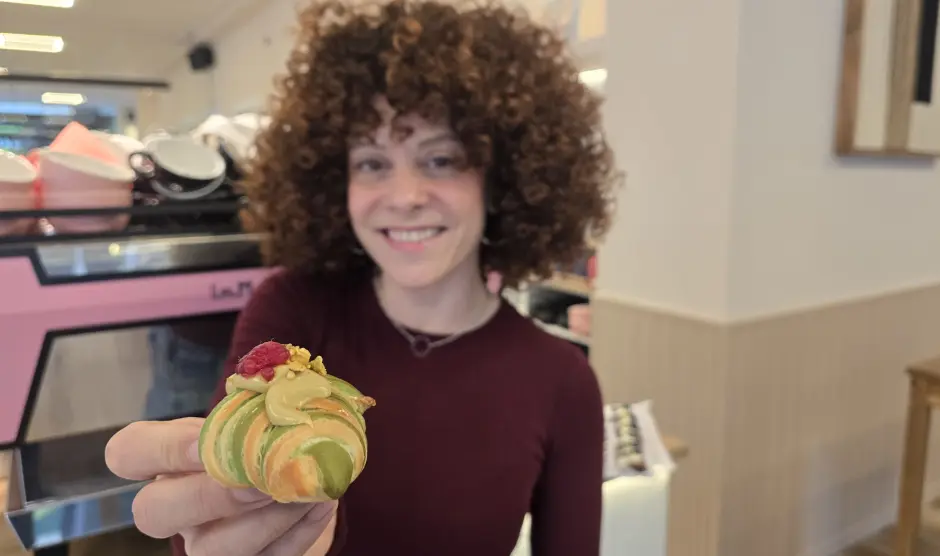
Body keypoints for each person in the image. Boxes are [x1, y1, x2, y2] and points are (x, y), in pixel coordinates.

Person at [103, 0, 621, 554]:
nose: (404, 197)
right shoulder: (294, 310)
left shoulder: (562, 381)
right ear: (334, 181)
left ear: (500, 179)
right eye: (372, 163)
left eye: (441, 159)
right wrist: (233, 527)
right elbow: (211, 525)